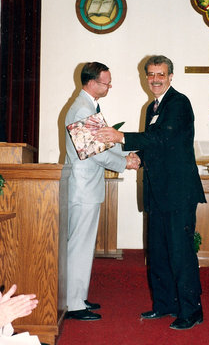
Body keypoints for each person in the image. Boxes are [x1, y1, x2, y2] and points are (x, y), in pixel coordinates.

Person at [92, 55, 207, 330]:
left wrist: (120, 137)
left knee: (180, 253)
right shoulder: (151, 107)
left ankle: (192, 311)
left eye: (161, 74)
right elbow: (154, 146)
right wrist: (135, 158)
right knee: (158, 251)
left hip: (179, 193)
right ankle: (165, 305)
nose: (156, 79)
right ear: (146, 77)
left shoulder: (178, 103)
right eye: (151, 74)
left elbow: (163, 138)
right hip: (156, 191)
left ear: (170, 77)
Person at [64, 62, 140, 321]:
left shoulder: (88, 107)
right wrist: (125, 163)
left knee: (84, 246)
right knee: (79, 246)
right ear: (92, 83)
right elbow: (96, 154)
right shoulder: (81, 110)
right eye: (106, 83)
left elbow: (103, 142)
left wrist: (128, 152)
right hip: (82, 190)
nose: (109, 86)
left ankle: (78, 297)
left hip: (87, 189)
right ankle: (72, 303)